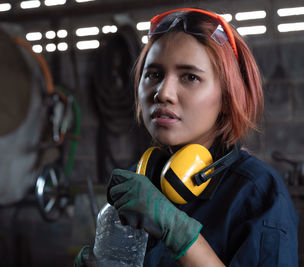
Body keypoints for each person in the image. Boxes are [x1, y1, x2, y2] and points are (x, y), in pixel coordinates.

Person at [74, 7, 299, 267]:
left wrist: (180, 234)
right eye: (154, 75)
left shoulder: (258, 193)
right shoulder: (140, 180)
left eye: (190, 77)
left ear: (227, 97)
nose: (163, 93)